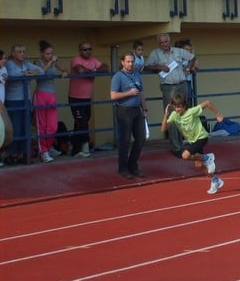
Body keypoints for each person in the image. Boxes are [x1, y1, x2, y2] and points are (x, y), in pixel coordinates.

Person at [161, 93, 225, 194]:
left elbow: (207, 103)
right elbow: (163, 129)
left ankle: (207, 158)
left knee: (185, 155)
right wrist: (165, 116)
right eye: (175, 107)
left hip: (202, 137)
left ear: (184, 106)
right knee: (199, 165)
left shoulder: (191, 112)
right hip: (193, 141)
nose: (177, 109)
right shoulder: (174, 115)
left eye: (179, 107)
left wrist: (217, 114)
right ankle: (215, 180)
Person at [145, 33, 196, 155]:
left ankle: (185, 142)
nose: (164, 44)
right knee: (172, 116)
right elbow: (146, 66)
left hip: (182, 85)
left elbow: (192, 57)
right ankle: (176, 147)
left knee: (184, 114)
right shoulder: (155, 54)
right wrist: (159, 67)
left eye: (165, 42)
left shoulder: (178, 51)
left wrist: (187, 69)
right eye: (161, 42)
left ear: (169, 41)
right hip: (168, 87)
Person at [68, 41, 109, 158]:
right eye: (84, 49)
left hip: (87, 97)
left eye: (89, 49)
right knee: (82, 122)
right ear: (80, 51)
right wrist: (95, 72)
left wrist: (93, 71)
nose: (87, 51)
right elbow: (81, 70)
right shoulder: (76, 59)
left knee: (81, 123)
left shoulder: (93, 60)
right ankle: (85, 148)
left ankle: (76, 150)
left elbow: (105, 67)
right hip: (75, 97)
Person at [110, 51, 148, 179]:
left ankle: (133, 165)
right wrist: (129, 93)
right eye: (128, 61)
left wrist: (145, 108)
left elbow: (141, 93)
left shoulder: (137, 75)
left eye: (132, 61)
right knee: (125, 140)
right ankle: (123, 168)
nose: (130, 64)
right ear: (122, 62)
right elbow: (113, 95)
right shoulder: (118, 76)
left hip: (137, 110)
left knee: (141, 138)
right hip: (124, 110)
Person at [3, 44, 43, 164]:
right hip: (13, 100)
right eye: (19, 52)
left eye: (23, 52)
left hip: (25, 99)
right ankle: (12, 154)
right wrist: (25, 74)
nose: (22, 54)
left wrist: (32, 72)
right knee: (16, 127)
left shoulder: (26, 63)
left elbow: (40, 71)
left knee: (25, 127)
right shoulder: (9, 63)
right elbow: (11, 74)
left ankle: (22, 154)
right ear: (14, 54)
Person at [33, 40, 67, 163]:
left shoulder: (53, 62)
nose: (50, 56)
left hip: (51, 95)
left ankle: (48, 147)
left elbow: (64, 69)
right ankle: (44, 151)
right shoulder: (38, 62)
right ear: (42, 54)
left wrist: (64, 72)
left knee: (53, 125)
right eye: (47, 54)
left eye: (51, 53)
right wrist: (50, 62)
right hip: (40, 94)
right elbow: (40, 71)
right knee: (41, 125)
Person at [174, 38, 198, 106]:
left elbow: (197, 66)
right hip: (180, 82)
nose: (188, 51)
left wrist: (193, 54)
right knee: (183, 100)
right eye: (186, 49)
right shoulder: (179, 59)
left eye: (190, 50)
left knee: (189, 99)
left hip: (188, 82)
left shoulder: (189, 59)